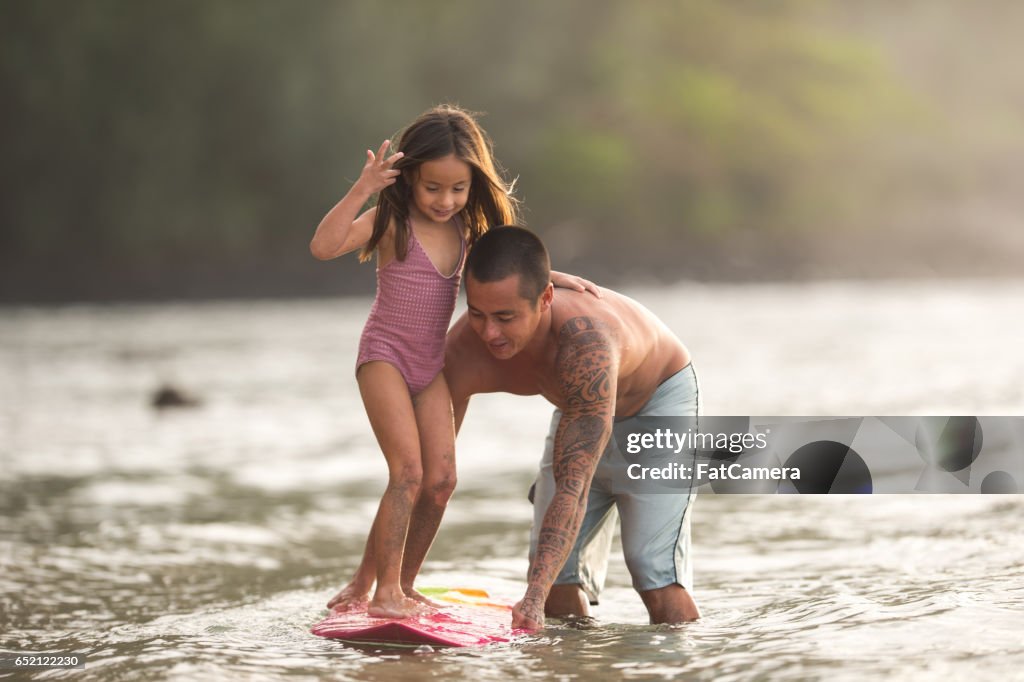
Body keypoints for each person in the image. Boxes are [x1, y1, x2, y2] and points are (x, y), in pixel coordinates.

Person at [310, 105, 594, 618]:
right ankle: (382, 592)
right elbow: (323, 246)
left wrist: (556, 280)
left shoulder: (469, 229)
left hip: (430, 367)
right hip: (386, 357)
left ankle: (399, 582)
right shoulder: (392, 221)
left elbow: (513, 265)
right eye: (433, 188)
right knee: (407, 473)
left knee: (440, 481)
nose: (445, 200)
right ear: (410, 179)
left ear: (471, 186)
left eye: (457, 189)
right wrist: (363, 189)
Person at [444, 226, 702, 630]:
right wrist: (385, 583)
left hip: (657, 403)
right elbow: (427, 473)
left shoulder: (586, 348)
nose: (489, 333)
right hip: (582, 408)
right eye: (478, 314)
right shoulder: (465, 346)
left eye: (505, 317)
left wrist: (529, 600)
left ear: (544, 299)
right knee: (554, 581)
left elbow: (573, 487)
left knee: (652, 571)